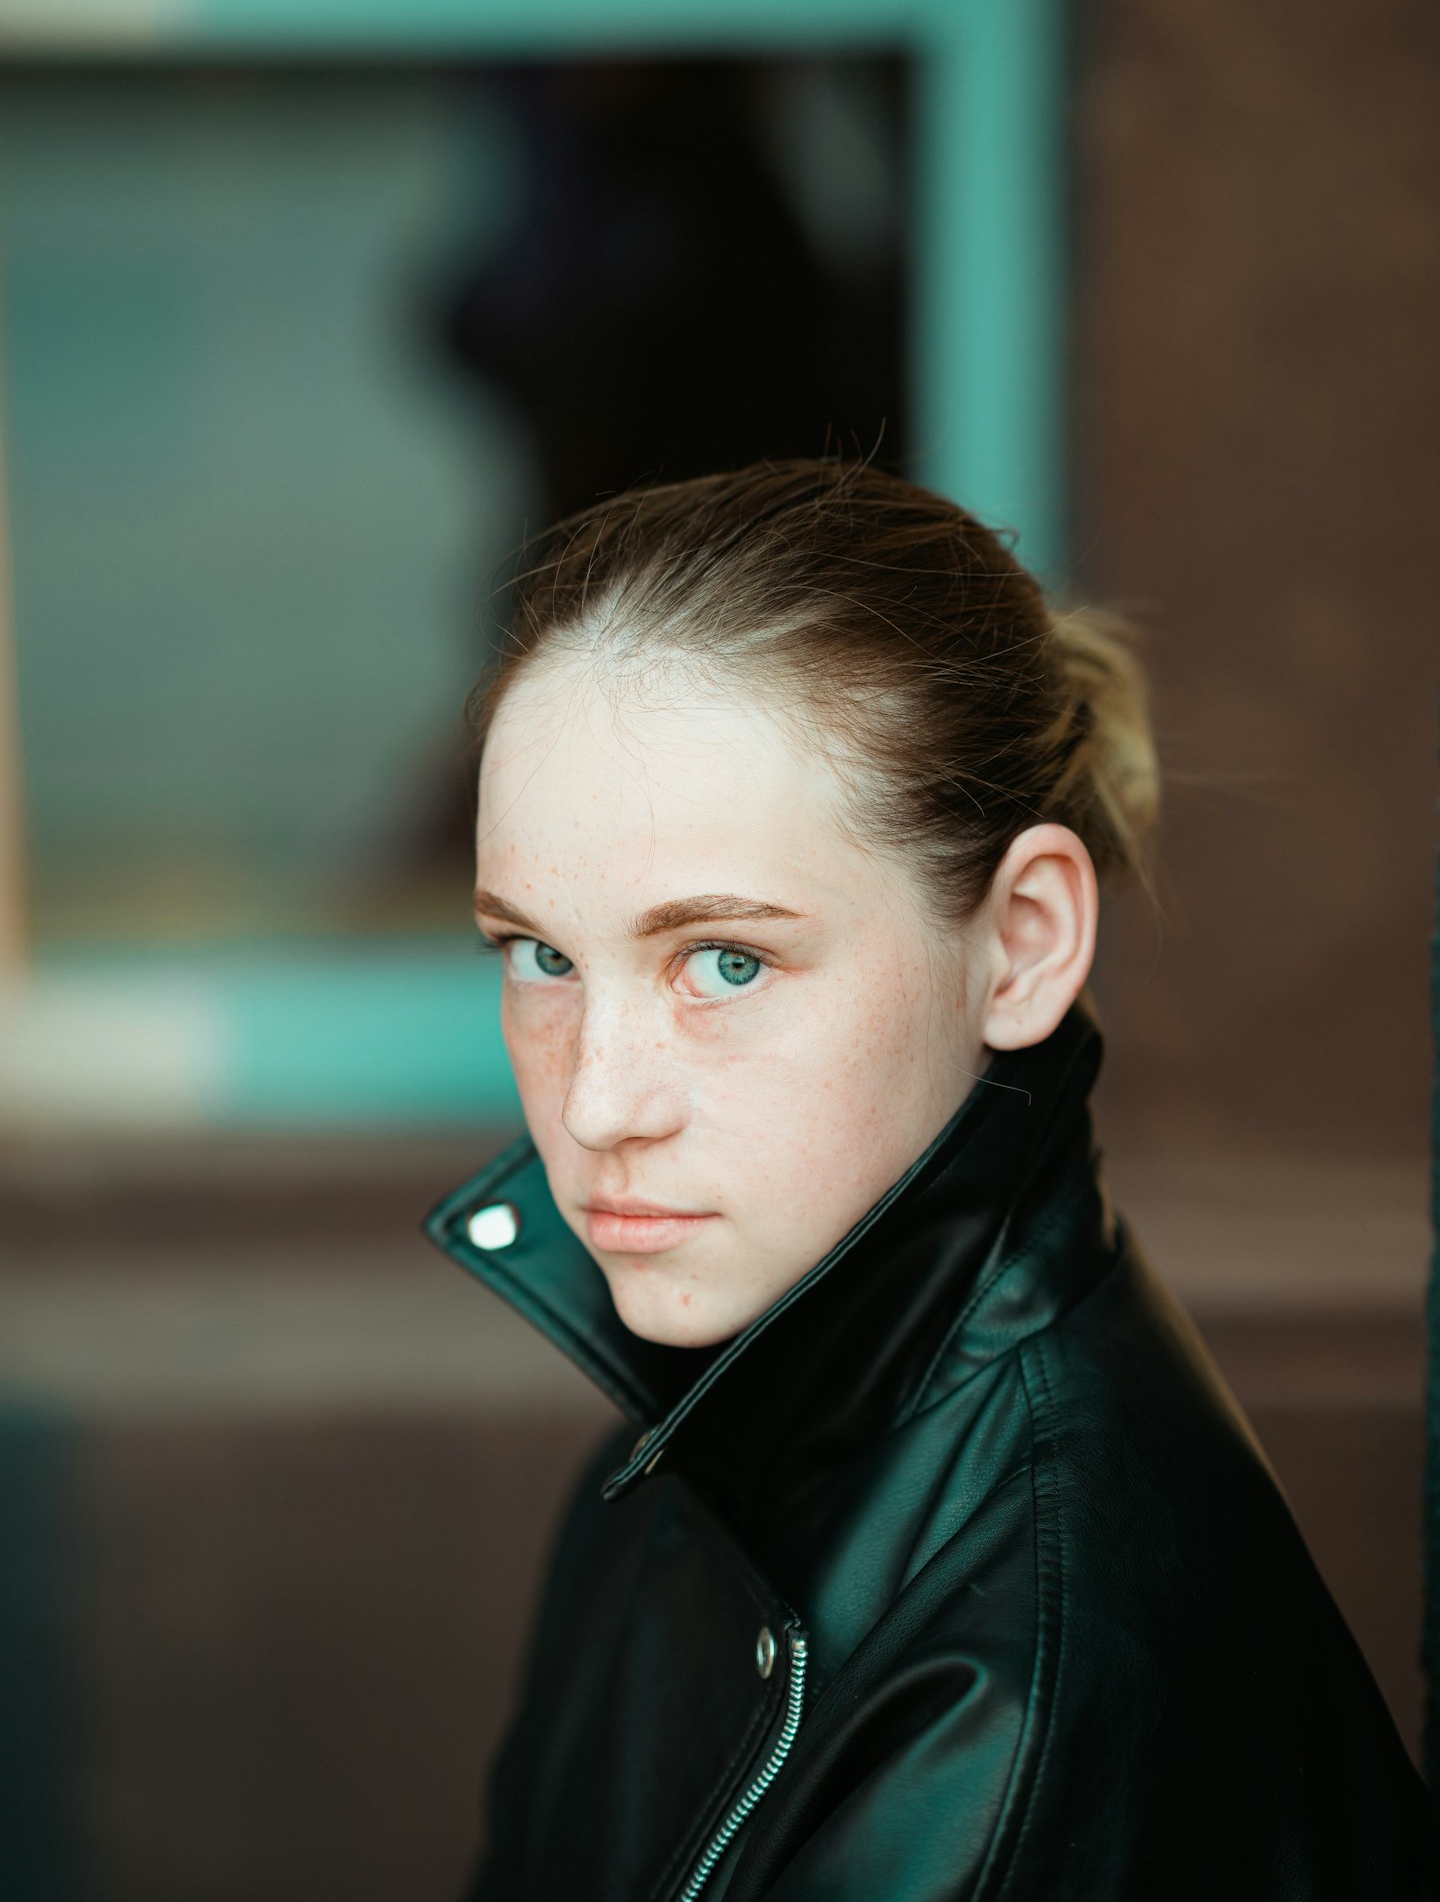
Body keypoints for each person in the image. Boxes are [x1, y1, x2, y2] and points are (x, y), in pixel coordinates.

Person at [424, 458, 1439, 1899]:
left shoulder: (1020, 1705)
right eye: (539, 955)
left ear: (1020, 942)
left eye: (724, 962)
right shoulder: (699, 1437)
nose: (595, 1102)